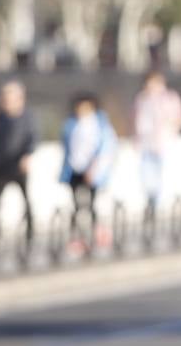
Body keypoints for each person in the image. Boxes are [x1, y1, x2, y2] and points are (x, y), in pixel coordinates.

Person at [59, 92, 117, 255]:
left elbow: (106, 149)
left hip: (92, 171)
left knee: (91, 205)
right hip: (74, 169)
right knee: (76, 206)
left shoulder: (100, 125)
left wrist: (95, 169)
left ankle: (94, 237)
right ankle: (78, 239)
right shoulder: (71, 124)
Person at [132, 70, 181, 217]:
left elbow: (179, 118)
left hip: (163, 143)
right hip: (146, 143)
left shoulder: (169, 98)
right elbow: (137, 121)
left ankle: (158, 203)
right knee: (147, 175)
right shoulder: (142, 99)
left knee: (161, 174)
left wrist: (168, 127)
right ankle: (151, 200)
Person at [0, 80, 37, 240]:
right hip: (2, 164)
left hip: (19, 165)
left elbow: (32, 138)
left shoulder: (27, 117)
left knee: (26, 198)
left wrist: (27, 156)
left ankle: (30, 227)